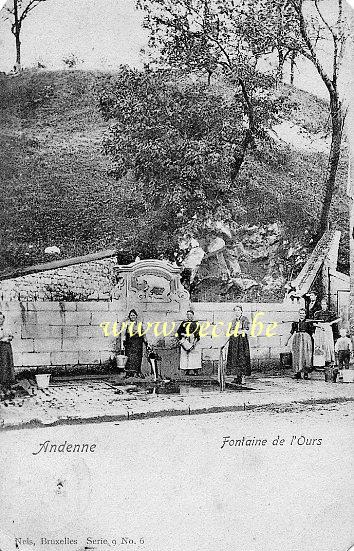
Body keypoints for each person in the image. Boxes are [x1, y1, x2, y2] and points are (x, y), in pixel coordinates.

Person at [223, 305, 251, 385]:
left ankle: (243, 377)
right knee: (235, 358)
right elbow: (230, 331)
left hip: (242, 342)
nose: (237, 312)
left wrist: (236, 332)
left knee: (242, 358)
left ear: (241, 311)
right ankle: (238, 376)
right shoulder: (233, 321)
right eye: (235, 310)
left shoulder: (245, 319)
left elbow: (245, 330)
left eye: (238, 310)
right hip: (234, 342)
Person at [285, 308, 313, 380]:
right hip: (297, 339)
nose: (302, 315)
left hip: (306, 339)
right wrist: (287, 340)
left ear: (305, 314)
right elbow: (291, 332)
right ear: (299, 314)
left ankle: (306, 373)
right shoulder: (295, 323)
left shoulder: (308, 322)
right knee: (297, 355)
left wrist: (317, 342)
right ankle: (298, 373)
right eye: (300, 313)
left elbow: (312, 333)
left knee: (306, 355)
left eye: (303, 313)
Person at [313, 299, 340, 369]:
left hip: (327, 329)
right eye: (322, 304)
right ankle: (319, 363)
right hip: (319, 329)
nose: (323, 306)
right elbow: (314, 323)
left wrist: (330, 323)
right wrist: (320, 326)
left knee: (328, 344)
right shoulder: (317, 313)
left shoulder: (330, 313)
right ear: (321, 305)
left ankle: (328, 361)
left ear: (327, 305)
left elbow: (339, 319)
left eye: (325, 304)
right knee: (319, 345)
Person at [123, 309, 148, 378]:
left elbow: (143, 333)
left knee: (138, 357)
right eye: (131, 315)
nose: (132, 317)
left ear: (136, 316)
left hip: (138, 343)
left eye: (134, 315)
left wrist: (146, 341)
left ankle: (137, 372)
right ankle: (128, 373)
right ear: (129, 316)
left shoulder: (139, 324)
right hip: (129, 343)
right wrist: (123, 342)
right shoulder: (126, 324)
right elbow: (124, 334)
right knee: (129, 357)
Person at [177, 310, 201, 376]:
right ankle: (187, 370)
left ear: (193, 315)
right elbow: (179, 332)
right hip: (185, 340)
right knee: (185, 355)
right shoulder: (183, 323)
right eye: (187, 315)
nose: (189, 316)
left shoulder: (196, 323)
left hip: (193, 340)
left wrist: (194, 342)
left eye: (190, 315)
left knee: (194, 356)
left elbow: (197, 334)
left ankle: (195, 371)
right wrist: (183, 336)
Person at [0, 312, 15, 391]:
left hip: (7, 347)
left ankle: (7, 382)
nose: (0, 321)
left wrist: (8, 338)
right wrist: (2, 339)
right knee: (2, 364)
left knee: (7, 363)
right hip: (0, 346)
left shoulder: (7, 328)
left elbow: (11, 336)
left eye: (2, 319)